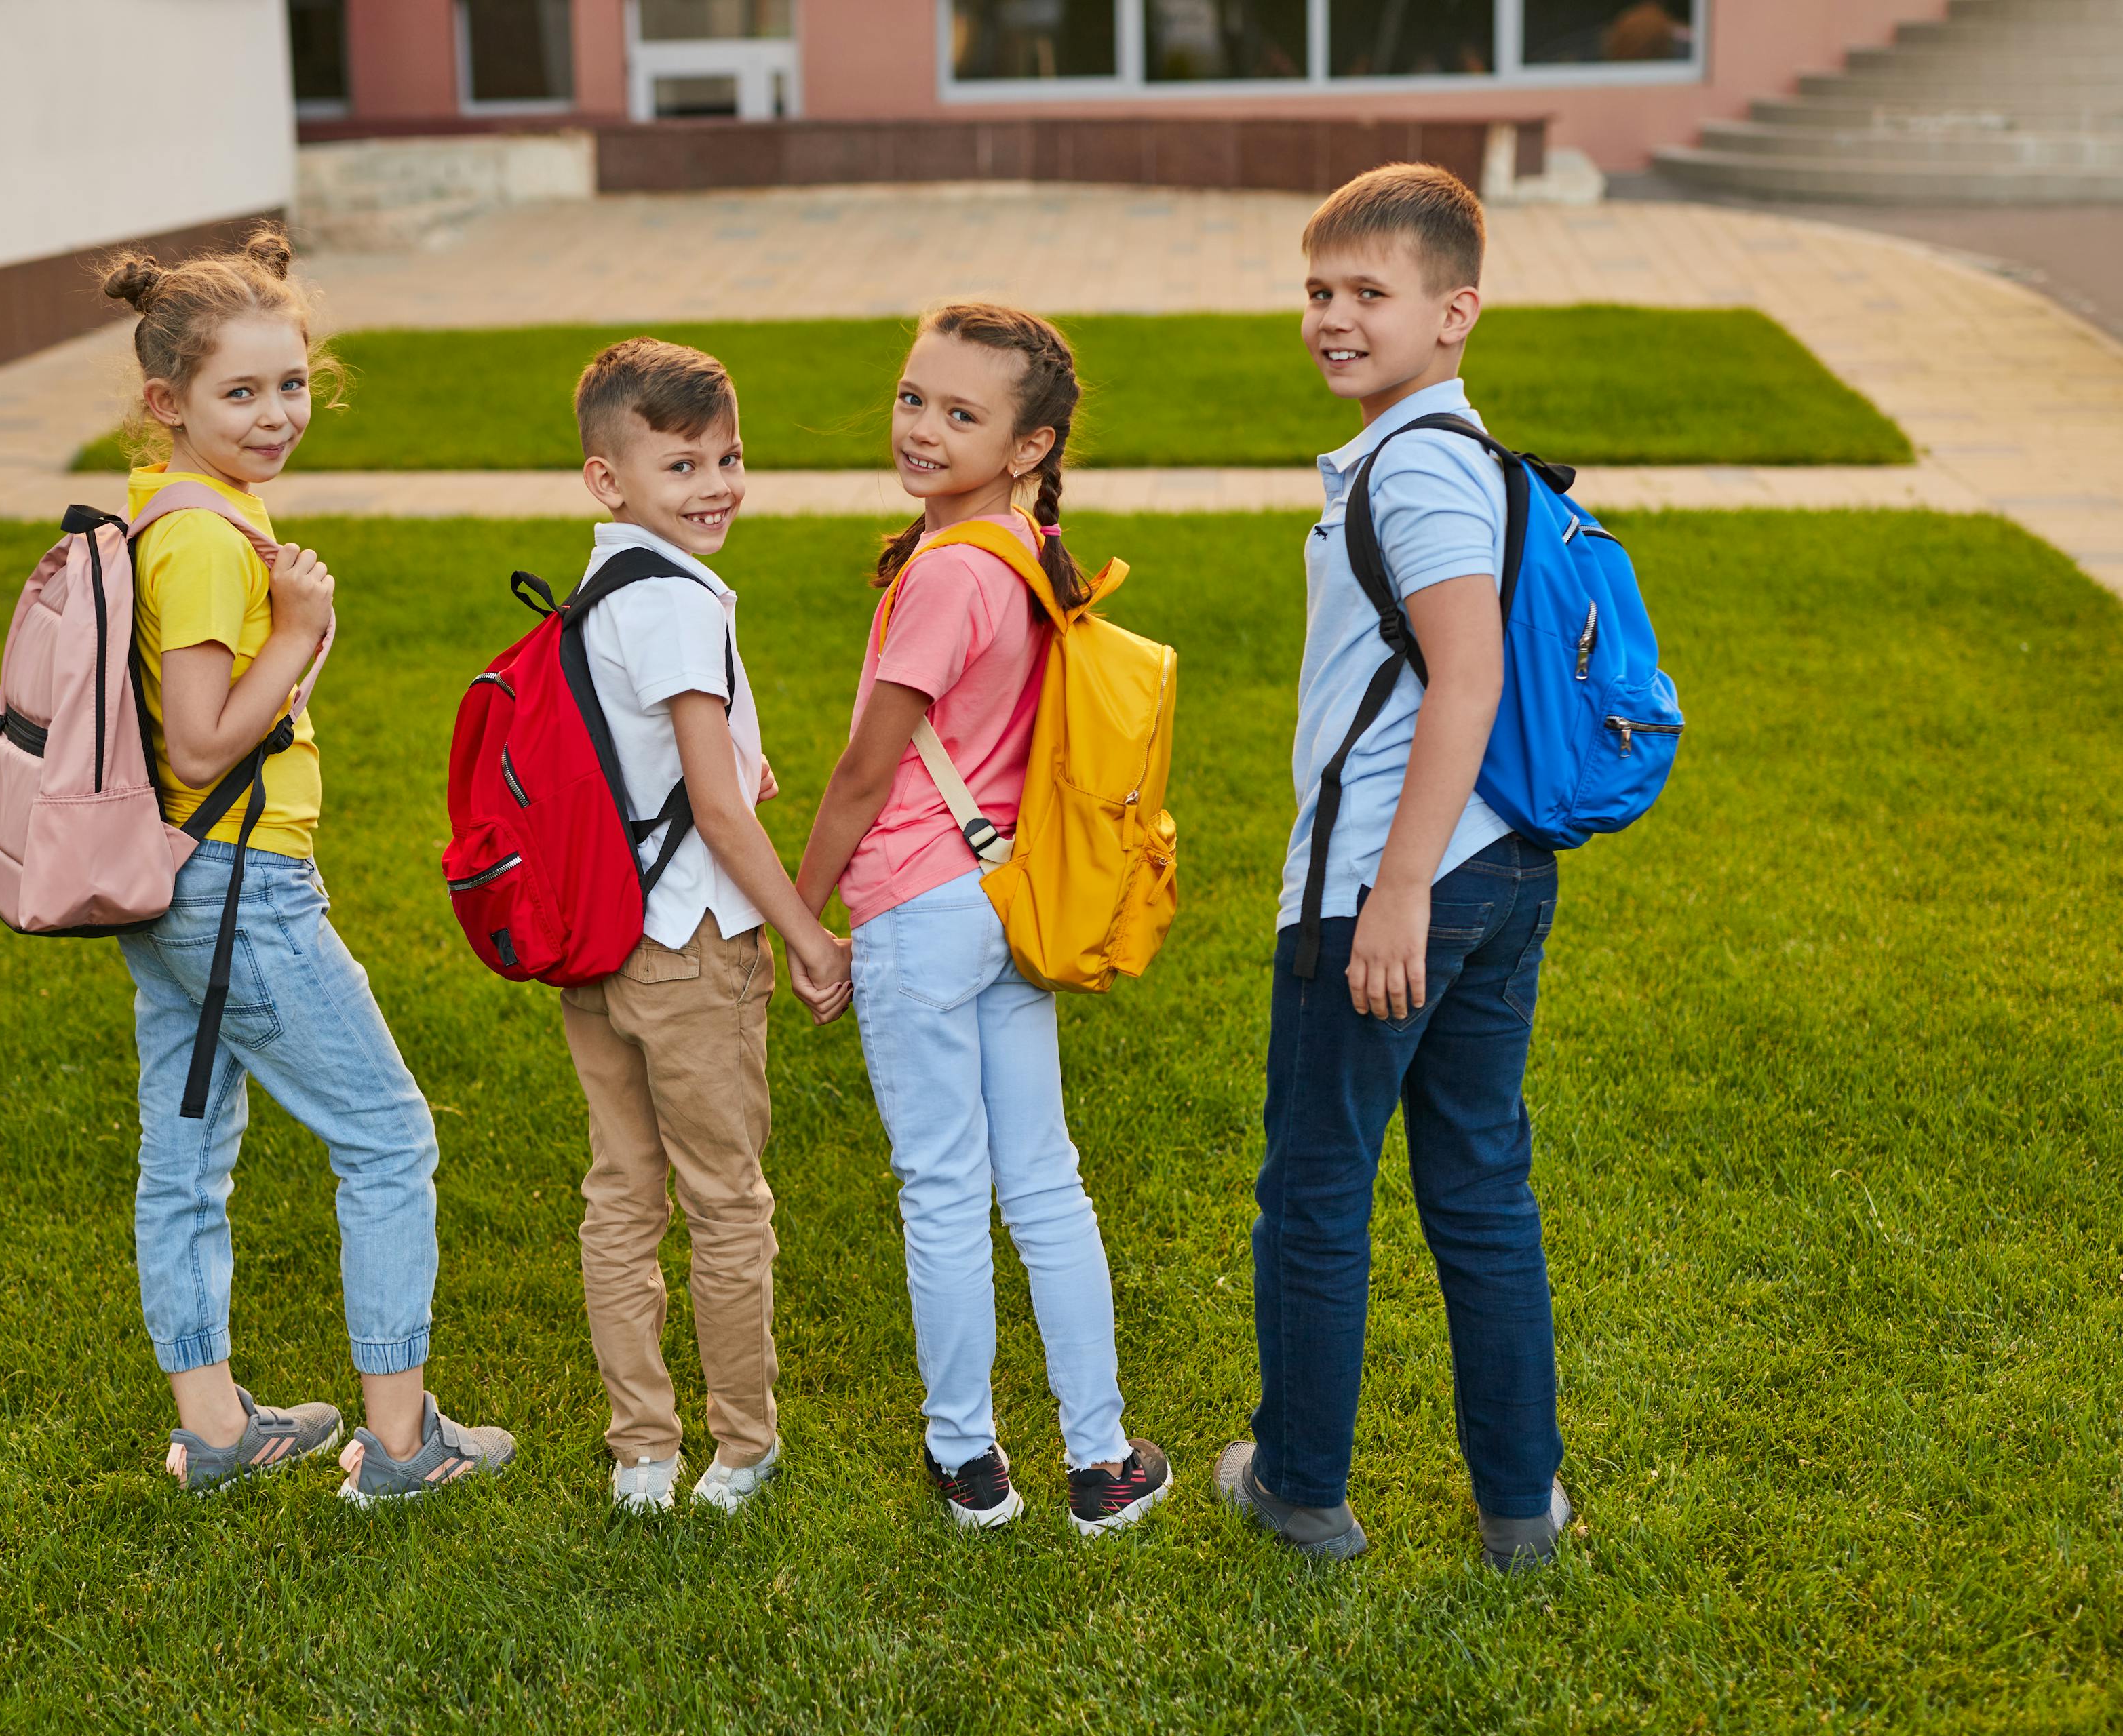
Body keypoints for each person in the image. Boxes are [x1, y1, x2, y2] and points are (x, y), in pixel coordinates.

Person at [102, 228, 515, 1501]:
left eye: (291, 385)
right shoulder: (207, 540)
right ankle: (401, 1446)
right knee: (389, 1138)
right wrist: (302, 626)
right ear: (169, 403)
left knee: (187, 1155)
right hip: (241, 882)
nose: (277, 414)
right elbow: (204, 732)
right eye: (242, 393)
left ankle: (217, 1428)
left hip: (171, 882)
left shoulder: (158, 503)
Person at [1212, 164, 1574, 1569]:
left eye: (1371, 293)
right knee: (1481, 1183)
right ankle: (1521, 1503)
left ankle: (1301, 1486)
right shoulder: (1457, 450)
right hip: (1501, 870)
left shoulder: (1415, 461)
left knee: (1315, 1187)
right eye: (1319, 291)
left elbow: (1467, 677)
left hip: (1392, 885)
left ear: (1456, 310)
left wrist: (1395, 890)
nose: (1334, 318)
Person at [795, 302, 1171, 1537]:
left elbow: (863, 771)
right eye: (914, 398)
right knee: (1046, 1183)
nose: (922, 428)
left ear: (1028, 443)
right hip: (1007, 897)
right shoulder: (1019, 547)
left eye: (962, 414)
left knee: (944, 1191)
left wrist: (802, 916)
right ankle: (1101, 1460)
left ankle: (970, 1462)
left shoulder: (949, 573)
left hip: (917, 906)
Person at [558, 338, 851, 1514]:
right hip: (687, 949)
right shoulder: (679, 601)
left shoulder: (601, 584)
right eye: (681, 465)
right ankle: (740, 1447)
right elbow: (720, 819)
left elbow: (655, 765)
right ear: (609, 477)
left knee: (620, 1194)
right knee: (725, 1200)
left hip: (599, 939)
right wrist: (805, 934)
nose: (716, 486)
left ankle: (641, 1450)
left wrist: (729, 764)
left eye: (730, 457)